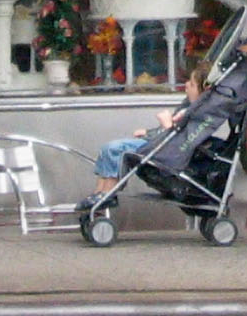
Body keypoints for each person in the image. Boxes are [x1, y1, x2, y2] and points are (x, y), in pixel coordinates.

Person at [80, 61, 207, 208]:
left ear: (202, 91)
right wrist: (148, 132)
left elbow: (178, 139)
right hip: (157, 144)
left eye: (191, 84)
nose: (186, 85)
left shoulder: (194, 114)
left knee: (114, 149)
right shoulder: (188, 108)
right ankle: (99, 192)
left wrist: (167, 123)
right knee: (106, 150)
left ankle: (107, 192)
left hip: (163, 150)